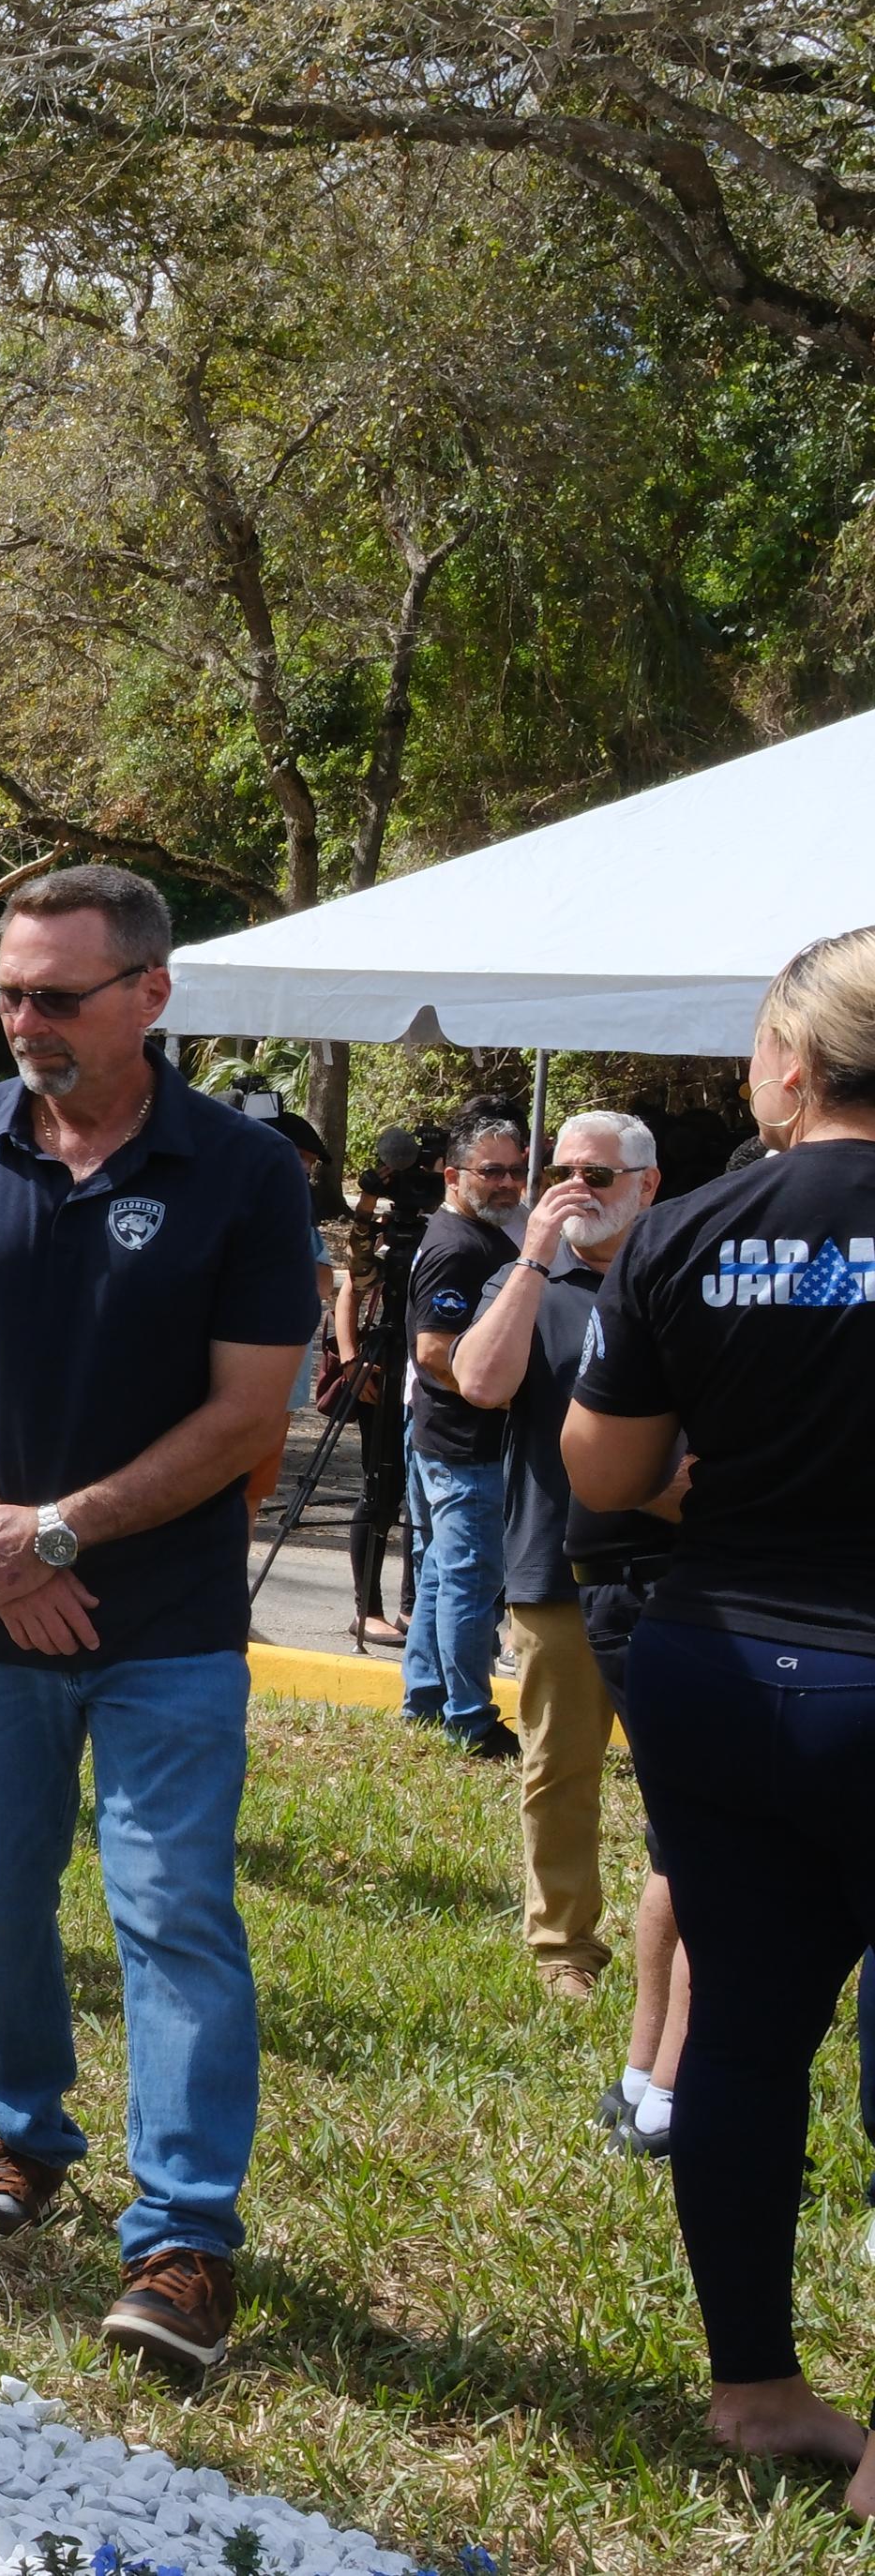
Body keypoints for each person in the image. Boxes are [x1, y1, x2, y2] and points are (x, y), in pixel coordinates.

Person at [0, 865, 314, 2381]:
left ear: (152, 995)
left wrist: (66, 1528)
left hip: (166, 1617)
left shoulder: (245, 1171)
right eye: (7, 991)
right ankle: (22, 2128)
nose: (23, 1020)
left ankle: (184, 2233)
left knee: (171, 1906)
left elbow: (252, 1407)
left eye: (56, 994)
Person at [566, 926, 875, 2512]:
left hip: (721, 1666)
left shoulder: (689, 1229)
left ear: (797, 1067)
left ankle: (755, 2388)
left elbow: (606, 1477)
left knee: (745, 2042)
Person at [437, 1110, 662, 1998]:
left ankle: (690, 1940)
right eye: (560, 1170)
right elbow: (481, 1383)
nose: (575, 1189)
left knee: (689, 1775)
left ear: (648, 1184)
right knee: (558, 1768)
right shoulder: (523, 1277)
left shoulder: (674, 1275)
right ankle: (564, 1946)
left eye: (598, 1176)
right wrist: (532, 1257)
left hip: (675, 1565)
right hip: (557, 1562)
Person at [401, 1111, 533, 1757]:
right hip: (464, 1444)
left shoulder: (477, 1234)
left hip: (447, 1440)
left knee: (440, 1575)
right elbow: (433, 1351)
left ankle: (426, 1697)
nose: (508, 1183)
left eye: (516, 1169)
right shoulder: (460, 1244)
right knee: (469, 1580)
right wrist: (500, 1391)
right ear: (453, 1176)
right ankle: (469, 1718)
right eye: (492, 1171)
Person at [324, 1130, 428, 1648]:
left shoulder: (457, 1227)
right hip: (385, 1366)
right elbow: (356, 1278)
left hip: (432, 1374)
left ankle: (415, 1608)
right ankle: (368, 1610)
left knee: (423, 1498)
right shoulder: (384, 1234)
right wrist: (351, 1360)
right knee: (380, 1488)